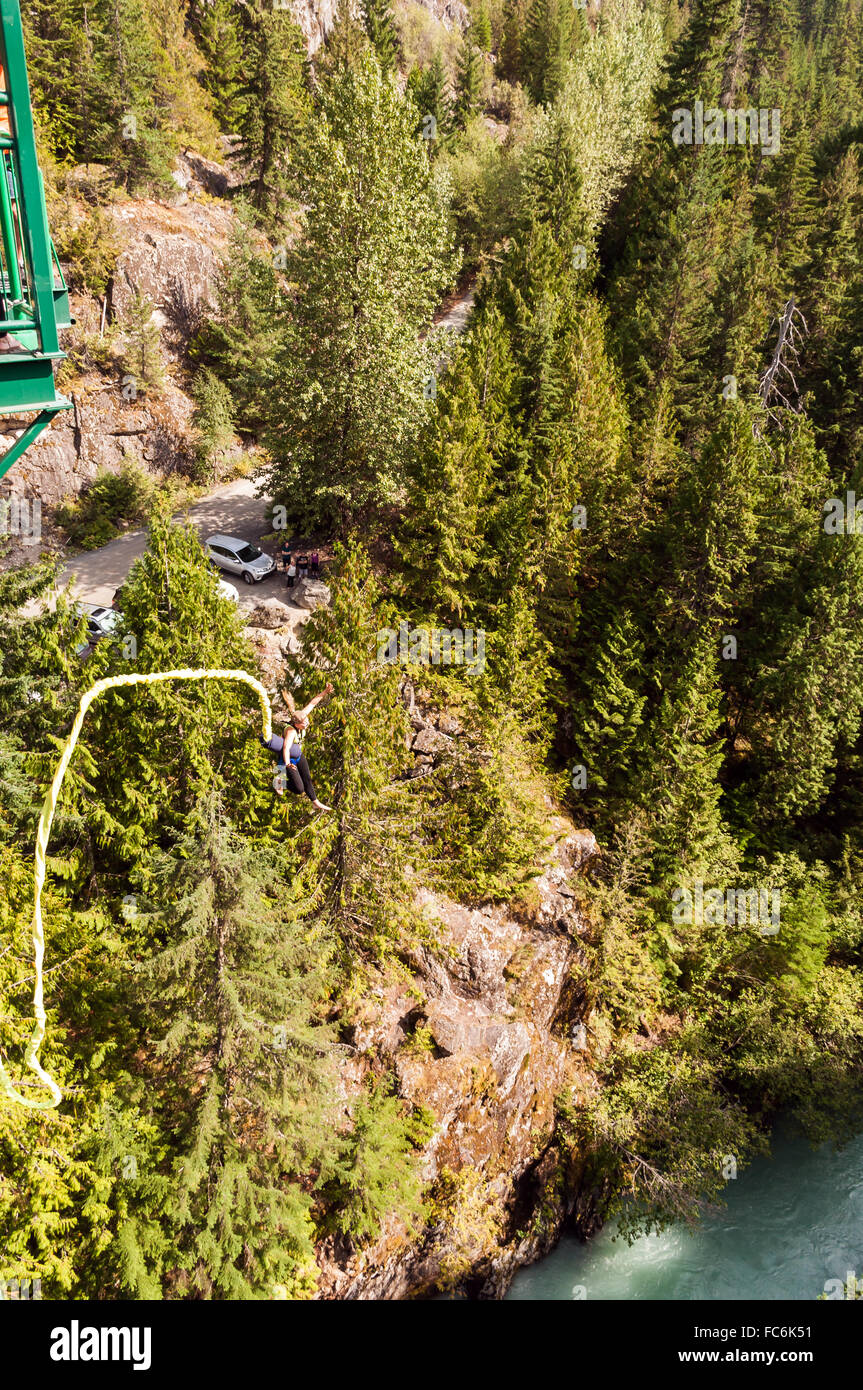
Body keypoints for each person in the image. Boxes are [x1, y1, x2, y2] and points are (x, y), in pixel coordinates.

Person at [260, 683, 334, 811]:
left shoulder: (301, 715)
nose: (306, 723)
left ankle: (315, 802)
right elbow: (285, 749)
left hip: (298, 756)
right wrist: (288, 764)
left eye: (306, 721)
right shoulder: (291, 731)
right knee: (299, 789)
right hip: (287, 759)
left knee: (307, 779)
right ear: (296, 724)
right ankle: (278, 780)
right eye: (303, 723)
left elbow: (312, 703)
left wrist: (325, 692)